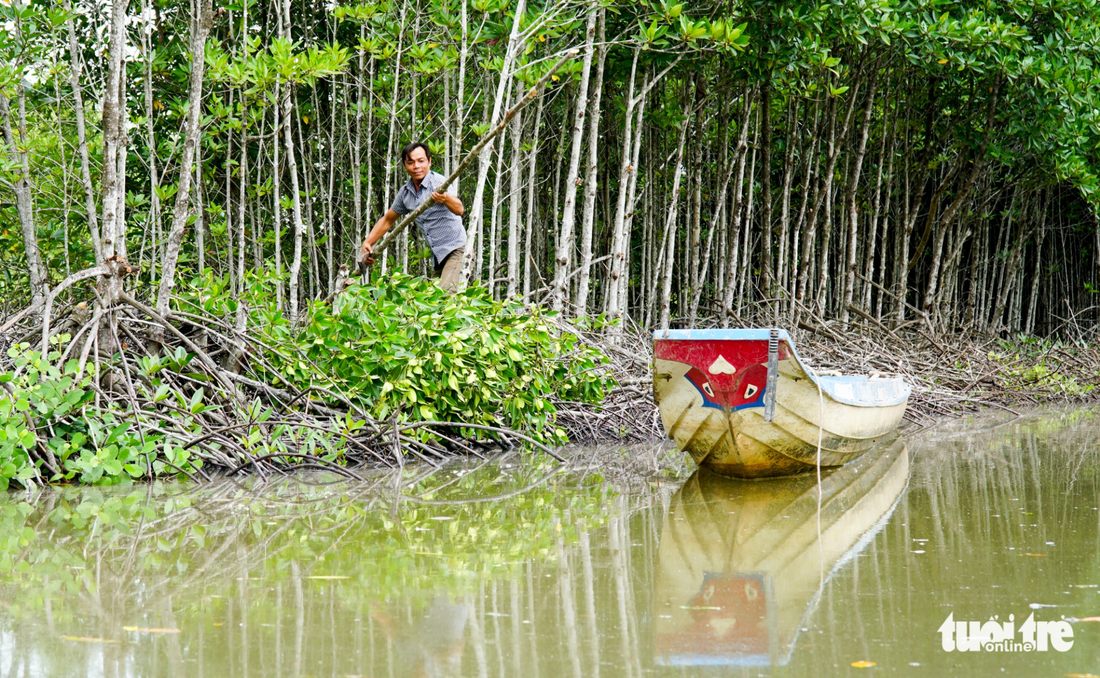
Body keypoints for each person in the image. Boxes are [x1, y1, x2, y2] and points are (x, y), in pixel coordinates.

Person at [361, 142, 466, 292]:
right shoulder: (406, 193)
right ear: (405, 165)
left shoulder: (438, 182)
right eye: (411, 162)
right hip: (438, 256)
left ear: (429, 161)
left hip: (456, 249)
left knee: (446, 297)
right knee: (432, 302)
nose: (416, 166)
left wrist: (446, 198)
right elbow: (388, 219)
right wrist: (368, 242)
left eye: (421, 161)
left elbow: (459, 209)